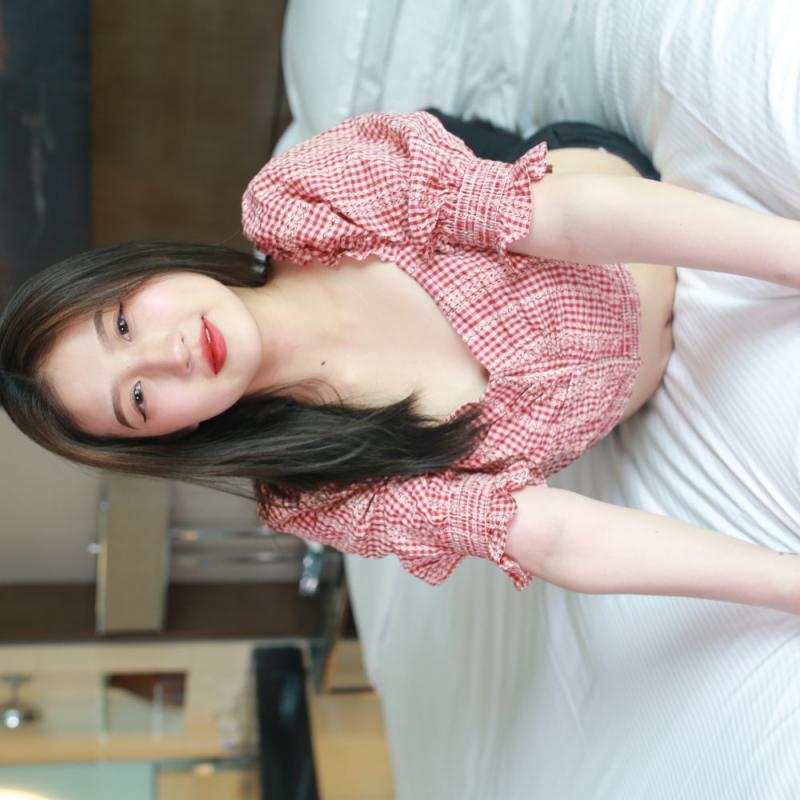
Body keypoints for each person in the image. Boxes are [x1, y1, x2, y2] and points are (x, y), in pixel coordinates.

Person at [2, 110, 799, 615]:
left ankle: (462, 133)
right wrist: (786, 584)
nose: (167, 354)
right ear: (169, 436)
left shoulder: (304, 202)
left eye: (122, 322)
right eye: (138, 399)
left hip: (598, 193)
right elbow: (547, 535)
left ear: (138, 271)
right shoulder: (315, 491)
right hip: (637, 376)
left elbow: (565, 216)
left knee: (468, 163)